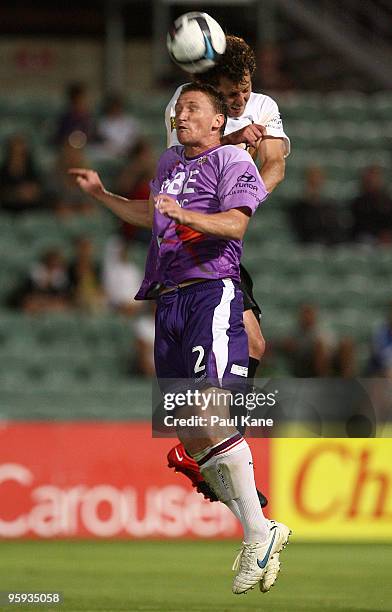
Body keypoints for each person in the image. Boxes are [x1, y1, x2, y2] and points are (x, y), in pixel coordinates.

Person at [70, 83, 291, 595]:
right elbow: (152, 215)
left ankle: (259, 532)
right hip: (167, 301)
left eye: (193, 108)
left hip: (209, 294)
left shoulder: (233, 163)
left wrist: (185, 215)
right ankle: (263, 530)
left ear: (219, 121)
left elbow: (236, 224)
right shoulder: (170, 161)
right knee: (189, 437)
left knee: (210, 416)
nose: (181, 114)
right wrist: (102, 195)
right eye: (179, 108)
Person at [164, 35, 289, 506]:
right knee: (235, 351)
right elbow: (181, 166)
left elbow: (275, 164)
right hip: (191, 245)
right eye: (231, 94)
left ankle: (205, 450)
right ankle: (209, 448)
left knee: (255, 343)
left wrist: (246, 198)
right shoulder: (189, 108)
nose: (240, 101)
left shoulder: (263, 105)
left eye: (244, 89)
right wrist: (233, 144)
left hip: (225, 244)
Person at [288, 165, 345, 245]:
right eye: (312, 181)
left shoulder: (330, 207)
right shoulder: (298, 208)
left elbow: (335, 232)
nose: (315, 184)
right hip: (306, 247)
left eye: (317, 181)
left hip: (328, 247)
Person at [349, 165, 392, 245]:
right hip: (364, 240)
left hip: (388, 241)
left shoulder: (390, 203)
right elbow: (357, 228)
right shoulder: (357, 203)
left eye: (375, 178)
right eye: (369, 179)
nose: (372, 182)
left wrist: (388, 235)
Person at [0, 134, 44, 214]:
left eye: (21, 153)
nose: (18, 157)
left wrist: (33, 192)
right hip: (6, 213)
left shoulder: (33, 171)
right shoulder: (3, 172)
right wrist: (17, 193)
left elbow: (39, 192)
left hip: (30, 213)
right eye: (15, 152)